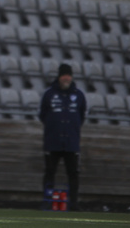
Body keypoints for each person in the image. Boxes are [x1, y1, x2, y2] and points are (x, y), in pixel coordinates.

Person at [39, 63, 86, 211]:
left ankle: (73, 203)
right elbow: (43, 114)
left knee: (73, 173)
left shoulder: (78, 95)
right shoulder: (49, 94)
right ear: (59, 77)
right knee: (49, 172)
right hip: (53, 141)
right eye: (64, 75)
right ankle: (47, 200)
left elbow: (81, 115)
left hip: (71, 142)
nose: (66, 78)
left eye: (69, 75)